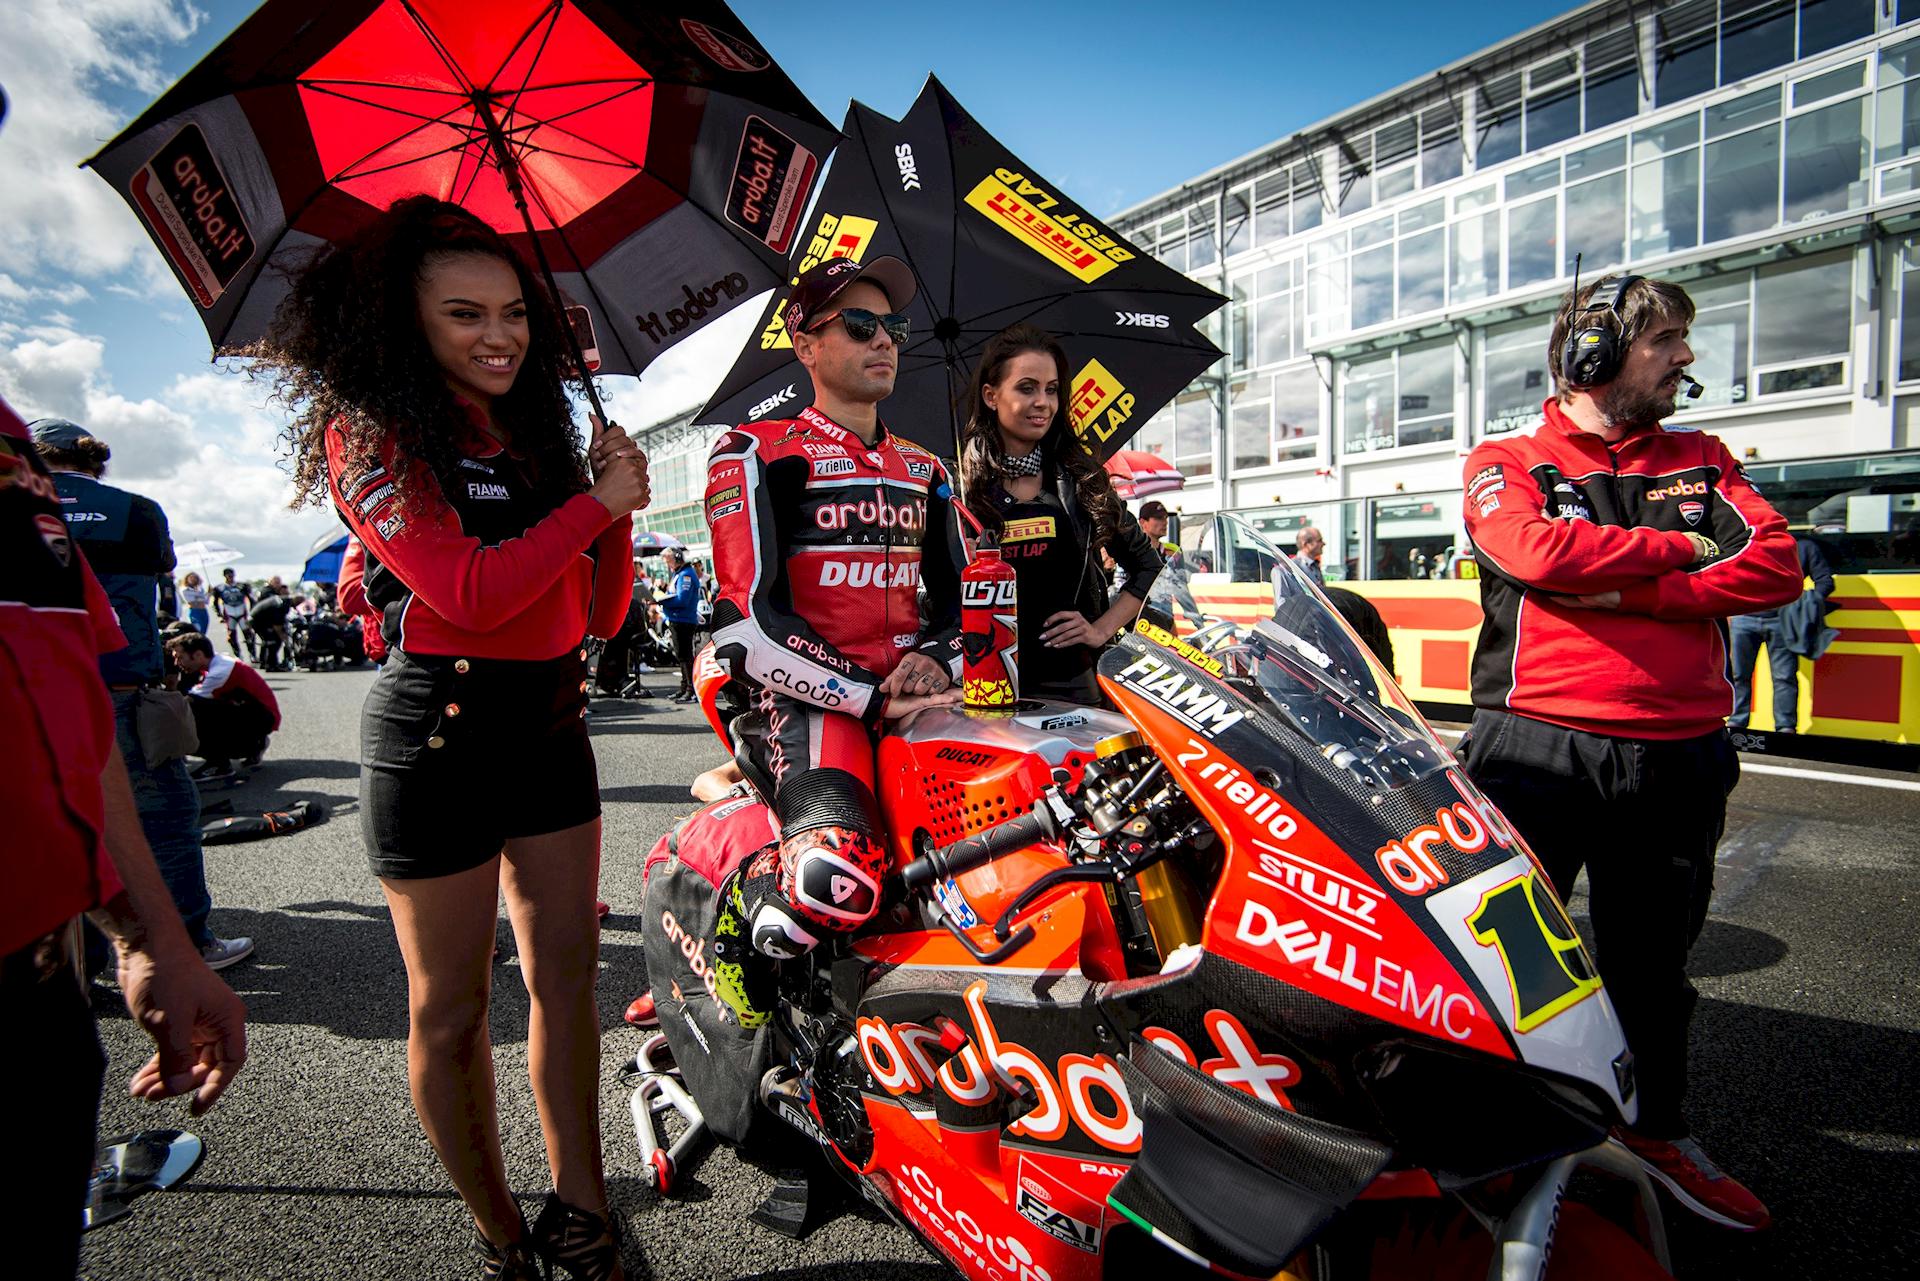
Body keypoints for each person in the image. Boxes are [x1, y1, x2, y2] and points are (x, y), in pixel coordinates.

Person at [260, 195, 648, 1280]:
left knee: (567, 979)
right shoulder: (369, 432)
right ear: (406, 322)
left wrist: (613, 504)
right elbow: (472, 594)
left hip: (553, 723)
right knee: (452, 1010)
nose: (500, 335)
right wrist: (591, 508)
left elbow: (599, 616)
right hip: (441, 733)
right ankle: (500, 1229)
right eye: (464, 314)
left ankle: (583, 1207)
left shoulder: (536, 434)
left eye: (515, 312)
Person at [1457, 274, 1801, 1232]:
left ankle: (1655, 1131)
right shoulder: (1508, 458)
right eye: (1667, 339)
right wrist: (1683, 551)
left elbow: (1775, 565)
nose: (1686, 357)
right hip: (1533, 749)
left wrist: (1633, 588)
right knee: (1499, 968)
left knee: (1653, 970)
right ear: (1595, 354)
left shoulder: (1703, 456)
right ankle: (1485, 1137)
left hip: (1678, 755)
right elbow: (1533, 554)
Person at [3, 394, 248, 1278]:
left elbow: (59, 679)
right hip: (130, 697)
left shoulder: (13, 449)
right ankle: (199, 930)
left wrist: (148, 937)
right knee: (171, 810)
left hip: (36, 972)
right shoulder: (132, 511)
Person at [704, 253, 964, 1025]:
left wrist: (935, 657)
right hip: (803, 701)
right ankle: (735, 921)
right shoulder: (755, 450)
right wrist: (867, 695)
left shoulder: (927, 467)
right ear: (806, 343)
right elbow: (744, 627)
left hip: (917, 696)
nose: (883, 339)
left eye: (894, 327)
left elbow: (967, 604)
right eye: (858, 324)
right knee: (836, 880)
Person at [31, 417, 253, 972]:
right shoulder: (137, 510)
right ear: (93, 458)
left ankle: (80, 962)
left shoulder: (12, 508)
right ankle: (188, 945)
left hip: (30, 696)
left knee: (52, 829)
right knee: (165, 818)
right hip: (123, 688)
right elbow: (162, 579)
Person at [957, 324, 1161, 705]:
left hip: (1073, 688)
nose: (1043, 402)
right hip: (981, 688)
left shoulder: (1081, 479)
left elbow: (1148, 567)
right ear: (990, 396)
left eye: (1051, 390)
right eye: (1027, 388)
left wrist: (1100, 630)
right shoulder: (960, 491)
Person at [1728, 534, 1836, 733]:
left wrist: (1804, 603)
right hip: (1744, 618)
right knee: (1738, 674)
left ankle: (1785, 727)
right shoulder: (1747, 543)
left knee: (1784, 676)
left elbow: (1825, 582)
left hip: (1783, 621)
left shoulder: (1803, 547)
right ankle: (1736, 723)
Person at [168, 633, 281, 775]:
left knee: (188, 711)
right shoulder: (217, 662)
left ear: (198, 655)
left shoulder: (220, 671)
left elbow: (187, 702)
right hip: (256, 714)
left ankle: (220, 763)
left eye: (180, 658)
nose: (176, 663)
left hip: (263, 718)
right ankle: (254, 745)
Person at [1134, 499, 1205, 629]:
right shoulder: (1132, 550)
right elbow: (1120, 586)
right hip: (1137, 620)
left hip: (1165, 617)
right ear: (1143, 522)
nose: (1165, 522)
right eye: (1158, 518)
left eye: (1165, 518)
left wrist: (1197, 620)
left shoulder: (1173, 551)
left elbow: (1180, 587)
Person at [659, 547, 703, 702]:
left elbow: (682, 600)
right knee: (681, 656)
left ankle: (691, 690)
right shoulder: (679, 574)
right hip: (678, 619)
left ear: (677, 558)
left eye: (669, 561)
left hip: (683, 620)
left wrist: (662, 601)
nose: (668, 565)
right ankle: (685, 687)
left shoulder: (686, 575)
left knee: (685, 656)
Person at [209, 568, 254, 659]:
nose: (230, 576)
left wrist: (252, 612)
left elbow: (251, 599)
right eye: (228, 575)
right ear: (224, 576)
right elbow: (215, 602)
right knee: (231, 636)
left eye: (231, 574)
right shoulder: (219, 588)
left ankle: (252, 654)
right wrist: (219, 614)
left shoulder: (242, 586)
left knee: (248, 634)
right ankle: (237, 655)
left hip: (242, 612)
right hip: (229, 614)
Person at [248, 581, 291, 672]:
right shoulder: (279, 601)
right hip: (259, 621)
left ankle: (266, 662)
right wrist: (283, 636)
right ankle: (271, 665)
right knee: (273, 641)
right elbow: (276, 623)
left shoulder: (278, 599)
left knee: (269, 640)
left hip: (259, 620)